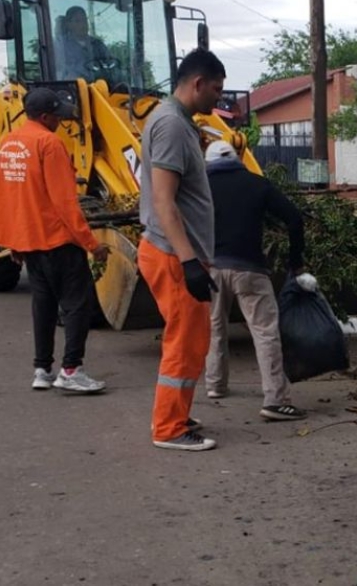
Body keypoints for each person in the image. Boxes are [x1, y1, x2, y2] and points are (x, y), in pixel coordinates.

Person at [0, 87, 110, 393]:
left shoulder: (8, 144)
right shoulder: (49, 143)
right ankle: (71, 369)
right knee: (77, 305)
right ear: (45, 116)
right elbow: (65, 204)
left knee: (43, 305)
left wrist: (13, 242)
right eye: (57, 115)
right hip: (58, 241)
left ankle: (42, 369)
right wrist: (92, 244)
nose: (60, 120)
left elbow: (7, 197)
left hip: (29, 243)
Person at [138, 48, 226, 452]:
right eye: (216, 91)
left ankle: (178, 413)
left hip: (179, 252)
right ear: (197, 83)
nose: (218, 100)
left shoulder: (176, 122)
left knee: (193, 340)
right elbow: (164, 201)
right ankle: (169, 428)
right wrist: (189, 261)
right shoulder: (171, 125)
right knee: (182, 341)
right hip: (174, 255)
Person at [202, 140, 307, 421]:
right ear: (238, 159)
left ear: (207, 163)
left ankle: (214, 385)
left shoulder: (199, 187)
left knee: (214, 326)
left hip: (209, 268)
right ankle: (275, 400)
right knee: (264, 332)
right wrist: (295, 262)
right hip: (249, 268)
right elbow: (294, 219)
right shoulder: (257, 184)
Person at [54, 6, 113, 81]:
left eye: (85, 20)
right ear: (68, 24)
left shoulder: (97, 45)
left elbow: (111, 64)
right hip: (72, 89)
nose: (83, 24)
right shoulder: (60, 45)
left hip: (100, 88)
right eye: (77, 21)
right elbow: (59, 71)